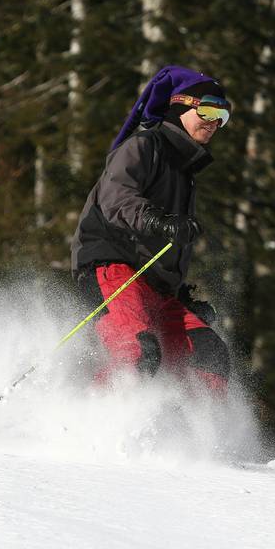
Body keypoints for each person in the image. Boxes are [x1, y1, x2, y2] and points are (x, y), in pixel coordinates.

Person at [71, 65, 233, 395]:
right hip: (114, 270)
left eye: (223, 115)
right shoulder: (144, 146)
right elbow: (116, 197)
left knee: (209, 356)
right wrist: (159, 221)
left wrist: (176, 291)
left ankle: (188, 439)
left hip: (155, 289)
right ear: (180, 105)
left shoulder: (184, 170)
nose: (215, 121)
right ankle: (85, 422)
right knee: (139, 353)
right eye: (209, 108)